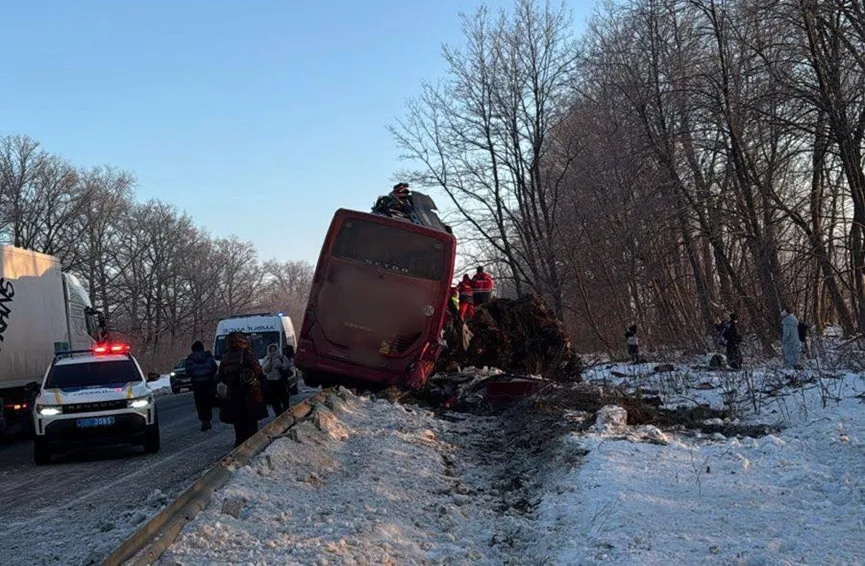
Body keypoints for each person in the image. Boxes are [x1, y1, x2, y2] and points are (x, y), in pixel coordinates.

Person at [217, 332, 264, 447]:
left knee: (238, 422)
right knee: (251, 421)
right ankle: (253, 444)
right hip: (249, 393)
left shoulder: (226, 356)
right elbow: (258, 370)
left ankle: (239, 443)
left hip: (233, 394)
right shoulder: (248, 354)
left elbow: (221, 375)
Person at [184, 341, 219, 431]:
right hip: (208, 385)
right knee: (208, 403)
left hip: (197, 386)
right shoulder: (208, 357)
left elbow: (188, 371)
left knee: (200, 404)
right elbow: (214, 368)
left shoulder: (190, 360)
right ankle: (208, 418)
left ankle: (204, 420)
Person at [262, 343, 291, 416]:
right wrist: (270, 362)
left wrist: (281, 366)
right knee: (274, 401)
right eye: (271, 350)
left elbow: (288, 365)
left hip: (281, 381)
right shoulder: (267, 358)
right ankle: (278, 414)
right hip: (271, 382)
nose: (273, 352)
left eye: (274, 350)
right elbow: (265, 370)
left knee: (284, 399)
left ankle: (286, 413)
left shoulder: (282, 357)